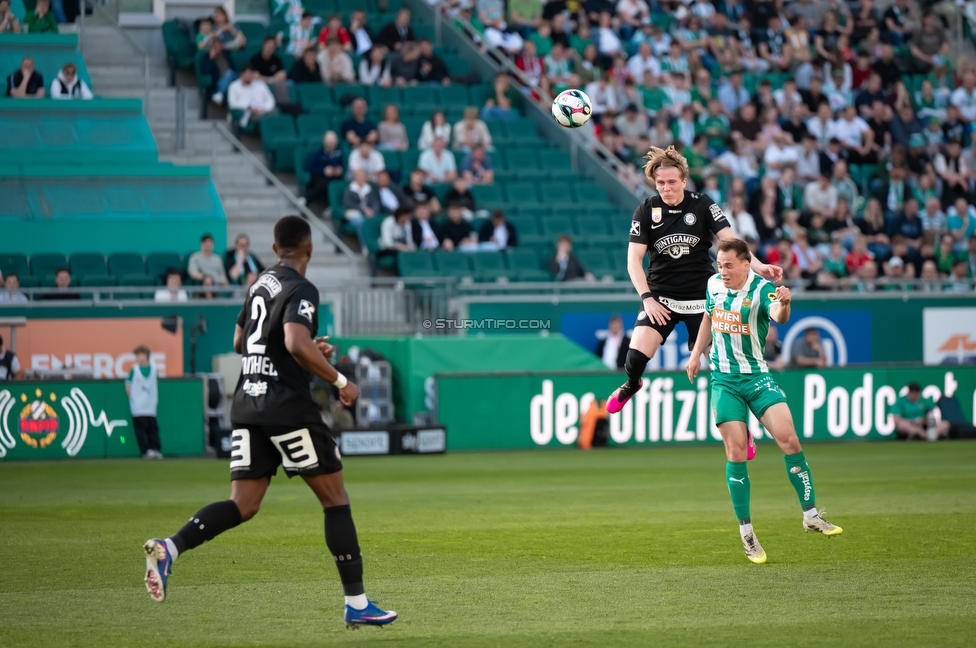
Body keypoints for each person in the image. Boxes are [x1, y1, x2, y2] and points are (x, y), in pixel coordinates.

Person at [142, 216, 397, 628]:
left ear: (275, 248)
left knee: (243, 504)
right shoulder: (302, 287)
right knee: (335, 499)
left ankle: (169, 548)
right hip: (286, 406)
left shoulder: (259, 283)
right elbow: (294, 342)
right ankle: (357, 603)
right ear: (309, 249)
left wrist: (306, 349)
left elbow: (240, 342)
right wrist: (341, 380)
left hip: (248, 404)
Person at [685, 237, 843, 565]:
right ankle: (747, 533)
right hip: (724, 381)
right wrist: (696, 353)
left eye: (729, 265)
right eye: (719, 264)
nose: (723, 271)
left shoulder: (761, 288)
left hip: (757, 378)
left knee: (790, 440)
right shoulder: (713, 285)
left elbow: (779, 316)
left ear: (747, 264)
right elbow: (708, 318)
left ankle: (811, 515)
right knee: (736, 452)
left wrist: (785, 302)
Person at [605, 146, 782, 416]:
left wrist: (759, 266)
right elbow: (633, 261)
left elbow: (730, 240)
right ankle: (632, 384)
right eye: (660, 183)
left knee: (721, 368)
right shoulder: (645, 211)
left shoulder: (702, 204)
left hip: (702, 298)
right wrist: (647, 299)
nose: (666, 188)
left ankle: (737, 424)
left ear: (684, 181)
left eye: (672, 182)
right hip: (661, 297)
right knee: (635, 358)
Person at [126, 345, 163, 460]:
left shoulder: (154, 369)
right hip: (137, 407)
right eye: (136, 355)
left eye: (140, 355)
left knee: (153, 429)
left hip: (150, 406)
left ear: (146, 355)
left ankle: (155, 450)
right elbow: (128, 385)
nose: (138, 357)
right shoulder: (134, 369)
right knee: (140, 431)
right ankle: (146, 451)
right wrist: (133, 399)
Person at [304, 131, 344, 205]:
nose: (331, 144)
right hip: (321, 177)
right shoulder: (317, 154)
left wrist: (340, 169)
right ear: (325, 142)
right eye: (329, 142)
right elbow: (310, 168)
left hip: (336, 177)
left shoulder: (341, 153)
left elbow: (345, 165)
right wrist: (323, 170)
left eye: (333, 142)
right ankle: (306, 200)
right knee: (322, 183)